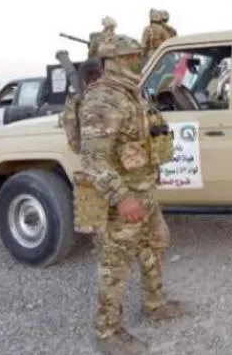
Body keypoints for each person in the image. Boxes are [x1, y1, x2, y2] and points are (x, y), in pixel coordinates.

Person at [79, 32, 186, 353]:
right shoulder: (103, 98)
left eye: (135, 56)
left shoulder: (131, 93)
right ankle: (107, 333)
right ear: (111, 61)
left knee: (156, 243)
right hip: (122, 198)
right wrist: (122, 197)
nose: (134, 61)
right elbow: (93, 158)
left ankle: (154, 303)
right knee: (116, 264)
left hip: (144, 190)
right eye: (127, 57)